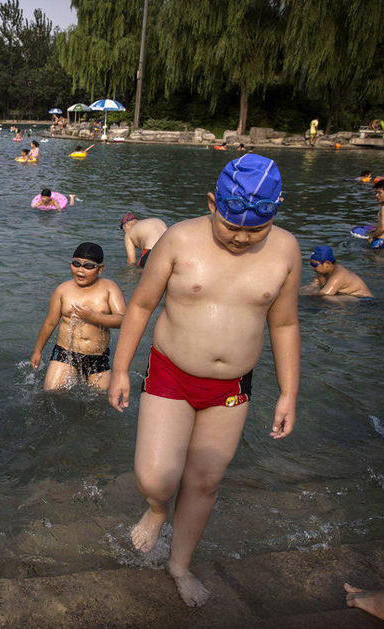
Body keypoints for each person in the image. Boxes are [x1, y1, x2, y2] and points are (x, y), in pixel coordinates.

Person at [108, 154, 301, 608]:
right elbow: (139, 306)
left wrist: (290, 392)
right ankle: (157, 511)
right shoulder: (179, 240)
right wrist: (120, 368)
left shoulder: (286, 250)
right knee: (156, 478)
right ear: (213, 202)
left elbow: (286, 325)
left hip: (231, 387)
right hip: (171, 373)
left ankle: (180, 565)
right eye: (232, 226)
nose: (240, 238)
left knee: (204, 481)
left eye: (255, 230)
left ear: (276, 211)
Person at [31, 242, 126, 391]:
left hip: (97, 357)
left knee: (97, 406)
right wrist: (37, 350)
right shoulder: (62, 290)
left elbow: (123, 320)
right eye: (76, 264)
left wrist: (93, 317)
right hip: (65, 354)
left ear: (100, 269)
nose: (80, 270)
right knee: (51, 394)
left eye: (88, 266)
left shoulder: (109, 289)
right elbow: (50, 323)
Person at [301, 246, 373, 298]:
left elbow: (324, 294)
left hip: (363, 301)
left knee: (328, 299)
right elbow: (314, 285)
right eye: (311, 264)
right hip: (347, 297)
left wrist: (300, 298)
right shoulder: (322, 272)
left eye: (314, 265)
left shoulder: (338, 276)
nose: (312, 267)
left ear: (327, 264)